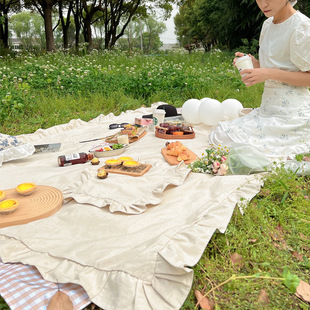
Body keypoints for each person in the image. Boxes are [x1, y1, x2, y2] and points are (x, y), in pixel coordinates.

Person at [209, 0, 310, 157]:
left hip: (292, 114)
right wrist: (253, 64)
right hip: (268, 109)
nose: (263, 4)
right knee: (223, 134)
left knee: (248, 148)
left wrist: (267, 73)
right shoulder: (268, 24)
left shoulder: (302, 26)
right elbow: (274, 65)